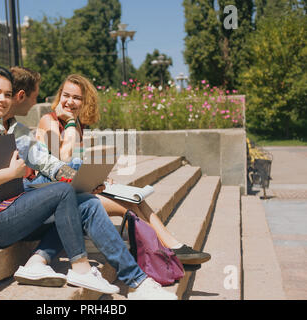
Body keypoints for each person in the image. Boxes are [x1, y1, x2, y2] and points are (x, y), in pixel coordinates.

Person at [0, 65, 122, 295]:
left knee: (76, 207)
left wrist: (81, 180)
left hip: (1, 210)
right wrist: (11, 173)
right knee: (62, 192)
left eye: (7, 95)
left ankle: (36, 263)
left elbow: (46, 163)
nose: (2, 99)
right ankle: (81, 270)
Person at [36, 74, 211, 265]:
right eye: (66, 95)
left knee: (136, 199)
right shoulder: (49, 120)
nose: (70, 101)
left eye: (77, 97)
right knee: (128, 206)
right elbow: (64, 157)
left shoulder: (78, 126)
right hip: (53, 199)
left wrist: (98, 178)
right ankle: (163, 250)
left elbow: (76, 165)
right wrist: (69, 121)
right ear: (59, 96)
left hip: (75, 190)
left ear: (85, 102)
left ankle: (173, 245)